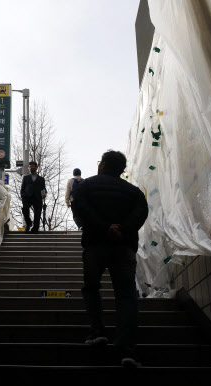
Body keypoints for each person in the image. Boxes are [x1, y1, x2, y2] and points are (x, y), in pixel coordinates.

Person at [72, 150, 149, 368]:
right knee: (126, 295)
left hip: (95, 244)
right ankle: (127, 350)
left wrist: (104, 228)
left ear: (103, 165)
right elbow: (141, 213)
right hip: (123, 247)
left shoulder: (86, 186)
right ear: (122, 170)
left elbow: (81, 209)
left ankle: (97, 332)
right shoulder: (134, 192)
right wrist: (121, 229)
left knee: (91, 287)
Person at [20, 161, 47, 233]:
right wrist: (23, 197)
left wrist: (44, 193)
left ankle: (35, 228)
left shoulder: (41, 179)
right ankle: (28, 223)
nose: (31, 168)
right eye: (30, 167)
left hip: (37, 197)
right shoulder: (26, 178)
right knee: (25, 209)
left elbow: (43, 188)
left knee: (37, 213)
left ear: (36, 167)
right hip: (27, 197)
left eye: (33, 167)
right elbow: (22, 188)